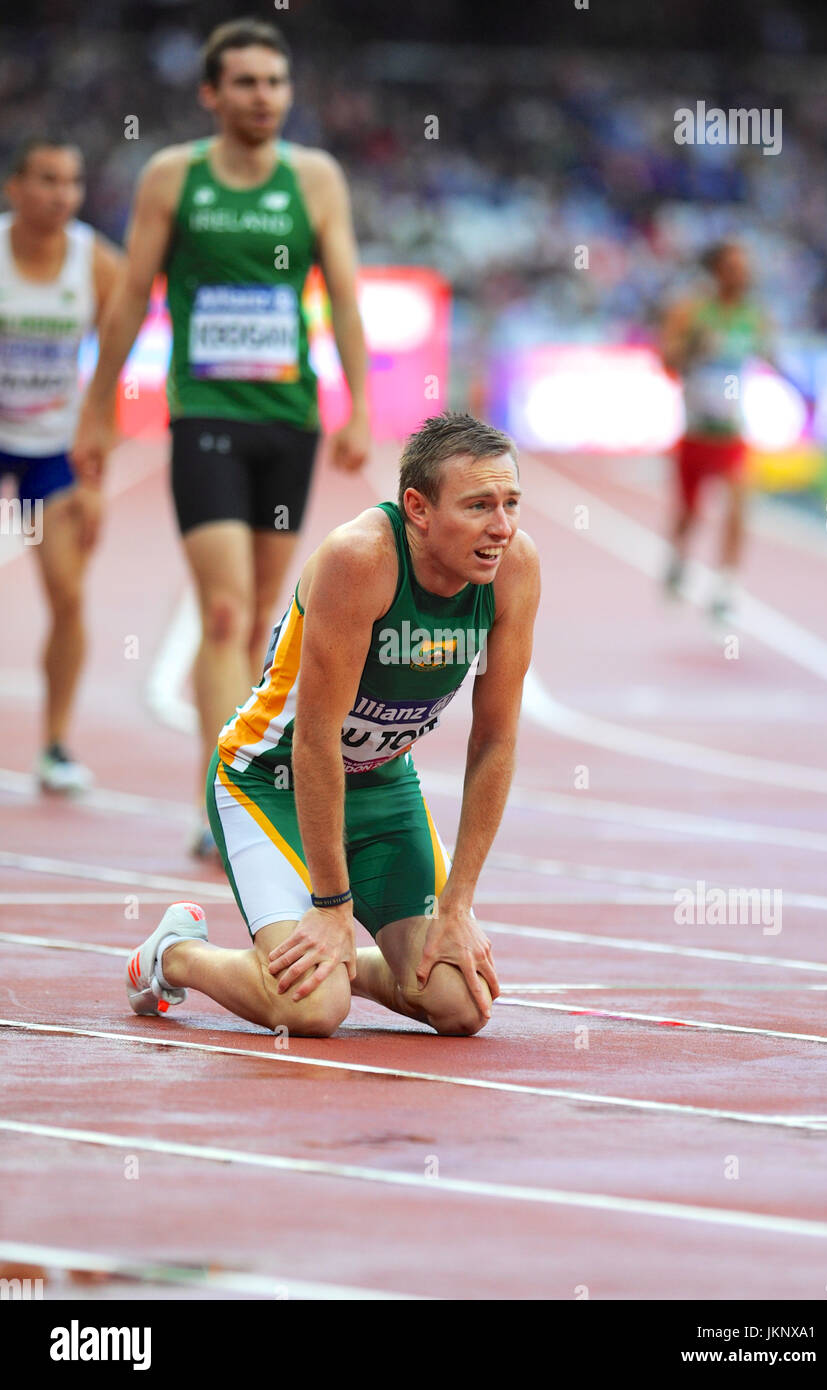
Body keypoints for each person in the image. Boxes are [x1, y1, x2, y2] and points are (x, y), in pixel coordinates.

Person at [124, 412, 540, 1038]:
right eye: (479, 505)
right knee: (312, 1011)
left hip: (380, 786)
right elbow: (316, 739)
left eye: (511, 503)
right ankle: (176, 953)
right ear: (417, 509)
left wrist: (457, 905)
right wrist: (331, 906)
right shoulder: (362, 559)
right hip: (270, 778)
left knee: (460, 1003)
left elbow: (495, 740)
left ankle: (339, 966)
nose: (501, 527)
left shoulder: (514, 568)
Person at [73, 19, 370, 853]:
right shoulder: (175, 176)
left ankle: (240, 780)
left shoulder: (316, 180)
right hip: (206, 419)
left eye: (275, 83)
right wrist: (99, 407)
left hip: (290, 424)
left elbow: (343, 296)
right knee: (226, 608)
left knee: (263, 620)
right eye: (244, 83)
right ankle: (223, 807)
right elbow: (132, 294)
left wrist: (361, 408)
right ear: (211, 93)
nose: (263, 98)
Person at [0, 138, 123, 791]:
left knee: (68, 594)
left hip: (52, 447)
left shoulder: (96, 262)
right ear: (13, 188)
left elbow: (113, 366)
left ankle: (54, 744)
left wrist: (97, 468)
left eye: (72, 182)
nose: (61, 194)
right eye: (46, 179)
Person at [659, 240, 774, 623]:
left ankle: (726, 586)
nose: (742, 275)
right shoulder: (692, 311)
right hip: (695, 433)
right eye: (734, 268)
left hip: (730, 433)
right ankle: (678, 556)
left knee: (739, 506)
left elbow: (770, 353)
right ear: (717, 272)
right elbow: (668, 362)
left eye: (746, 268)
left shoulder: (754, 315)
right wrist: (695, 348)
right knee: (691, 512)